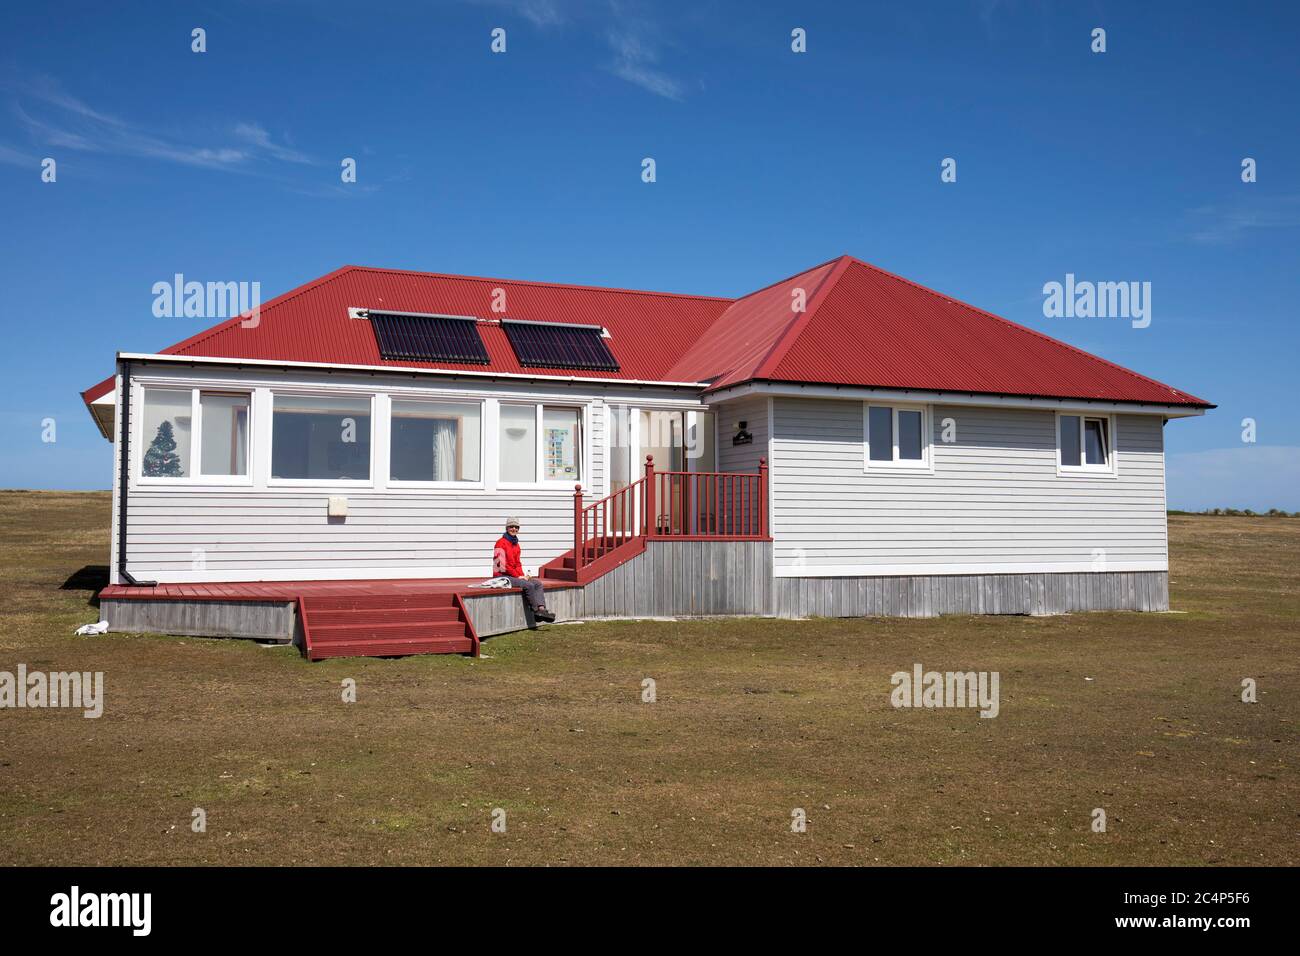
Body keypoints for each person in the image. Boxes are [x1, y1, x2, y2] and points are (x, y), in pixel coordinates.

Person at [493, 517, 556, 623]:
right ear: (507, 528)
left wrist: (523, 576)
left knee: (537, 583)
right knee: (529, 585)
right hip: (501, 575)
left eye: (516, 527)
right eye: (511, 526)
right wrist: (518, 577)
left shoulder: (516, 544)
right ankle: (535, 611)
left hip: (512, 575)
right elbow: (501, 565)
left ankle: (542, 610)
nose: (514, 529)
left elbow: (517, 564)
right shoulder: (500, 543)